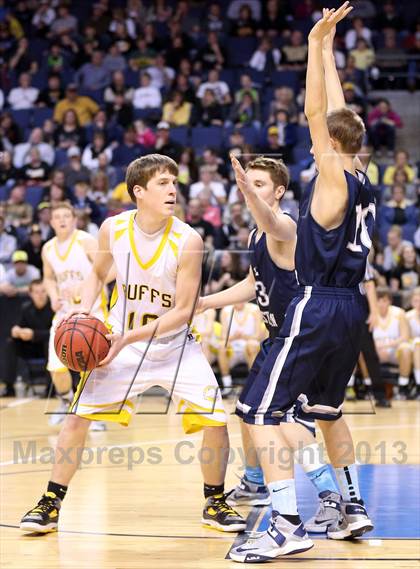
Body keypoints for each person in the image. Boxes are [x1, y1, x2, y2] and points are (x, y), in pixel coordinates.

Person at [20, 154, 246, 535]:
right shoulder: (113, 228)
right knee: (77, 419)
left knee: (217, 421)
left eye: (174, 181)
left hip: (174, 346)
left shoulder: (188, 240)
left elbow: (183, 310)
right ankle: (50, 502)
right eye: (162, 182)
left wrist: (128, 337)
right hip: (120, 345)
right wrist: (83, 313)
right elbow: (97, 272)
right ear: (138, 191)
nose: (173, 188)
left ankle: (215, 501)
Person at [229, 6, 374, 562]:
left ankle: (285, 523)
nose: (313, 143)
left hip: (316, 305)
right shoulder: (360, 175)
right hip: (349, 309)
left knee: (259, 413)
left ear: (329, 146)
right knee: (316, 413)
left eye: (319, 141)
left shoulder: (332, 171)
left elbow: (319, 110)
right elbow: (336, 111)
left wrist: (314, 48)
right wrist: (326, 48)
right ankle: (341, 504)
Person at [199, 156, 341, 533]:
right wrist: (204, 302)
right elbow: (252, 285)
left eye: (260, 184)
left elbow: (272, 221)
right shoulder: (256, 235)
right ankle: (254, 481)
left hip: (300, 337)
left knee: (275, 419)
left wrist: (247, 191)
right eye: (249, 183)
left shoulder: (286, 226)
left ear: (279, 191)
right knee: (248, 411)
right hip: (278, 338)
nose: (252, 188)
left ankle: (330, 496)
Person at [40, 202, 108, 430]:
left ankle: (93, 414)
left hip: (92, 311)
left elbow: (108, 270)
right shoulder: (47, 248)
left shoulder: (86, 241)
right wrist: (52, 295)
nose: (62, 220)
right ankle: (68, 402)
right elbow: (48, 277)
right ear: (51, 222)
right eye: (57, 217)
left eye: (66, 216)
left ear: (74, 219)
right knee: (56, 367)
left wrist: (83, 287)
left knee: (92, 366)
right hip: (64, 313)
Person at [3, 279, 53, 397]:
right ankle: (9, 386)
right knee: (10, 343)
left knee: (50, 343)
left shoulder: (53, 309)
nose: (40, 295)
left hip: (47, 348)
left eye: (43, 291)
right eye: (36, 292)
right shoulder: (26, 308)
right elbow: (17, 326)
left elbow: (56, 333)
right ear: (30, 294)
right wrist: (16, 331)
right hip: (30, 348)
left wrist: (34, 334)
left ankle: (51, 388)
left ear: (48, 292)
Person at [373, 289, 412, 399]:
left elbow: (405, 336)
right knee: (362, 351)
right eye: (378, 300)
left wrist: (386, 346)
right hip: (375, 350)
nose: (381, 303)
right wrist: (376, 348)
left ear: (390, 301)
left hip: (394, 350)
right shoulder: (369, 313)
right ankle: (368, 386)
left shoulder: (399, 313)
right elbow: (364, 339)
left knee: (405, 348)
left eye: (384, 300)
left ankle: (403, 387)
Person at [217, 302, 263, 395]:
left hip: (249, 345)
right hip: (233, 347)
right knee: (222, 346)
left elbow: (258, 336)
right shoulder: (226, 311)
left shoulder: (255, 309)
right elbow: (223, 337)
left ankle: (253, 386)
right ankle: (227, 385)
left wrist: (244, 336)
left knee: (251, 345)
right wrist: (234, 337)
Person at [406, 287, 420, 399]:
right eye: (416, 301)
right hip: (412, 347)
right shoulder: (407, 316)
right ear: (411, 302)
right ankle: (418, 385)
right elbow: (406, 337)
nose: (419, 303)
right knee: (417, 345)